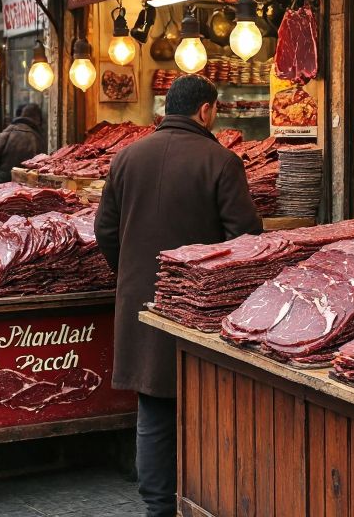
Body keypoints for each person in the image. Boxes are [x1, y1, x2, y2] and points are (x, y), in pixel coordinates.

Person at [94, 75, 262, 517]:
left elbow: (105, 231)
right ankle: (206, 498)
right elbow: (246, 239)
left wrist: (133, 274)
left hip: (141, 300)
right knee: (209, 406)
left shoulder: (127, 157)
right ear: (206, 110)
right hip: (200, 307)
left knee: (153, 408)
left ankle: (158, 506)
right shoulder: (220, 161)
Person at [0, 103, 45, 183]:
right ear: (38, 119)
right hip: (27, 185)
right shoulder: (37, 137)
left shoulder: (7, 132)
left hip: (2, 184)